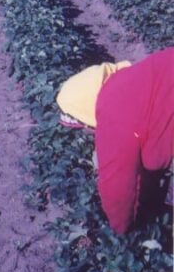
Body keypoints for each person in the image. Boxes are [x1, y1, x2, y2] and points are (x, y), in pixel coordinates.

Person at [56, 48, 174, 234]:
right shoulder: (128, 80)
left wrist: (122, 232)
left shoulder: (114, 111)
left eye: (83, 125)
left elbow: (118, 187)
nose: (88, 130)